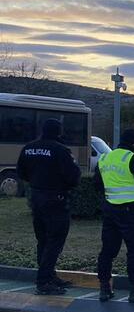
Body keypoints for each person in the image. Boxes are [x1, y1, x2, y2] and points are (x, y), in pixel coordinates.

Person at [15, 118, 81, 295]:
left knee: (42, 240)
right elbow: (74, 176)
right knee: (55, 241)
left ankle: (49, 276)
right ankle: (44, 281)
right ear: (59, 132)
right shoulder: (60, 150)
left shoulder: (29, 148)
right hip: (56, 199)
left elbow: (21, 172)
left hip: (36, 198)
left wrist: (38, 183)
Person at [93, 129, 134, 303]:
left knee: (107, 251)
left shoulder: (104, 158)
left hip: (110, 211)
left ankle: (104, 289)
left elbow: (97, 184)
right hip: (133, 212)